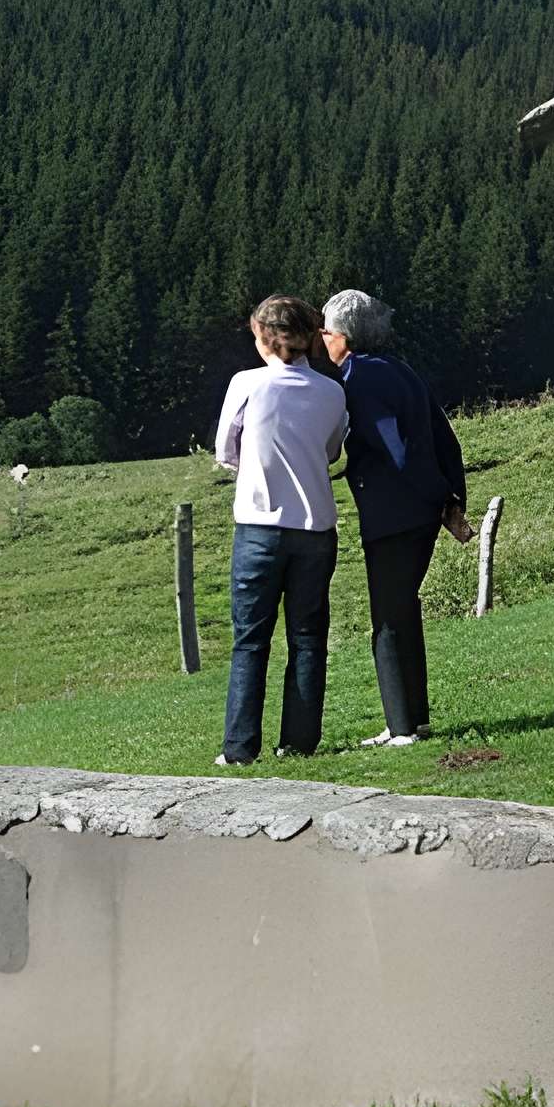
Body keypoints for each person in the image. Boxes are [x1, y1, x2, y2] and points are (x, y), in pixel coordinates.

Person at [320, 289, 470, 747]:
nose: (321, 339)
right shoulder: (399, 369)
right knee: (404, 609)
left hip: (394, 512)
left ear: (343, 337)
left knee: (387, 617)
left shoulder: (358, 379)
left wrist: (441, 501)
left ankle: (401, 727)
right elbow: (445, 435)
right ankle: (414, 719)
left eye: (325, 331)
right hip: (418, 511)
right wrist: (451, 496)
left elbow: (395, 449)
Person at [213, 295, 347, 763]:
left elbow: (225, 451)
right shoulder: (333, 392)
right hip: (315, 530)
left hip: (259, 528)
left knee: (251, 639)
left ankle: (239, 748)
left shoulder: (247, 384)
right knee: (308, 638)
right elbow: (331, 451)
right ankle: (298, 742)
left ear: (264, 337)